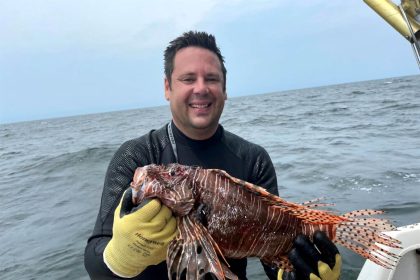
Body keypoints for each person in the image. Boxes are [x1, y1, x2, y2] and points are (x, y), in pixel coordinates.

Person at [84, 31, 341, 280]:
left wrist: (298, 272)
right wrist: (121, 255)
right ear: (167, 88)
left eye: (211, 78)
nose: (201, 88)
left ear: (224, 89)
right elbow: (95, 264)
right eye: (187, 79)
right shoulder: (136, 156)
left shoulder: (253, 159)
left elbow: (272, 258)